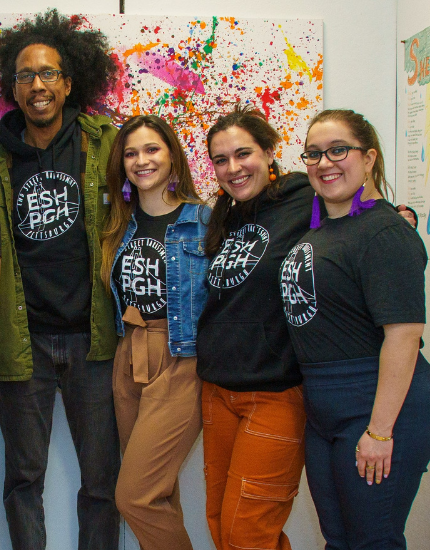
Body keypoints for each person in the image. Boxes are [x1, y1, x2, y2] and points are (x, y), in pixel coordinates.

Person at [0, 9, 121, 549]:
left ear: (68, 81)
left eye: (49, 73)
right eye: (26, 75)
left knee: (102, 482)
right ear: (11, 86)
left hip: (94, 340)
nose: (37, 85)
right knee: (23, 481)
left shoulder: (103, 143)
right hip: (22, 343)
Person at [281, 109, 430, 549]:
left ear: (368, 158)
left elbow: (403, 335)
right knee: (339, 540)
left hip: (375, 405)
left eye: (338, 150)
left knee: (373, 540)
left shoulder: (384, 231)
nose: (325, 163)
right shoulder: (322, 230)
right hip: (324, 408)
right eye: (314, 154)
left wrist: (380, 432)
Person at [197, 105, 311, 550]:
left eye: (243, 154)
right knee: (220, 523)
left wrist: (396, 216)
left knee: (248, 531)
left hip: (275, 390)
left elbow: (357, 211)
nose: (232, 168)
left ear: (268, 151)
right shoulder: (228, 214)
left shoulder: (305, 199)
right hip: (218, 389)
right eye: (220, 160)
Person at [100, 115, 209, 549]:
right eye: (131, 153)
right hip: (128, 356)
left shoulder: (203, 219)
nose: (141, 160)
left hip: (180, 357)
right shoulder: (118, 224)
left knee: (135, 497)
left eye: (152, 150)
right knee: (158, 492)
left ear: (172, 156)